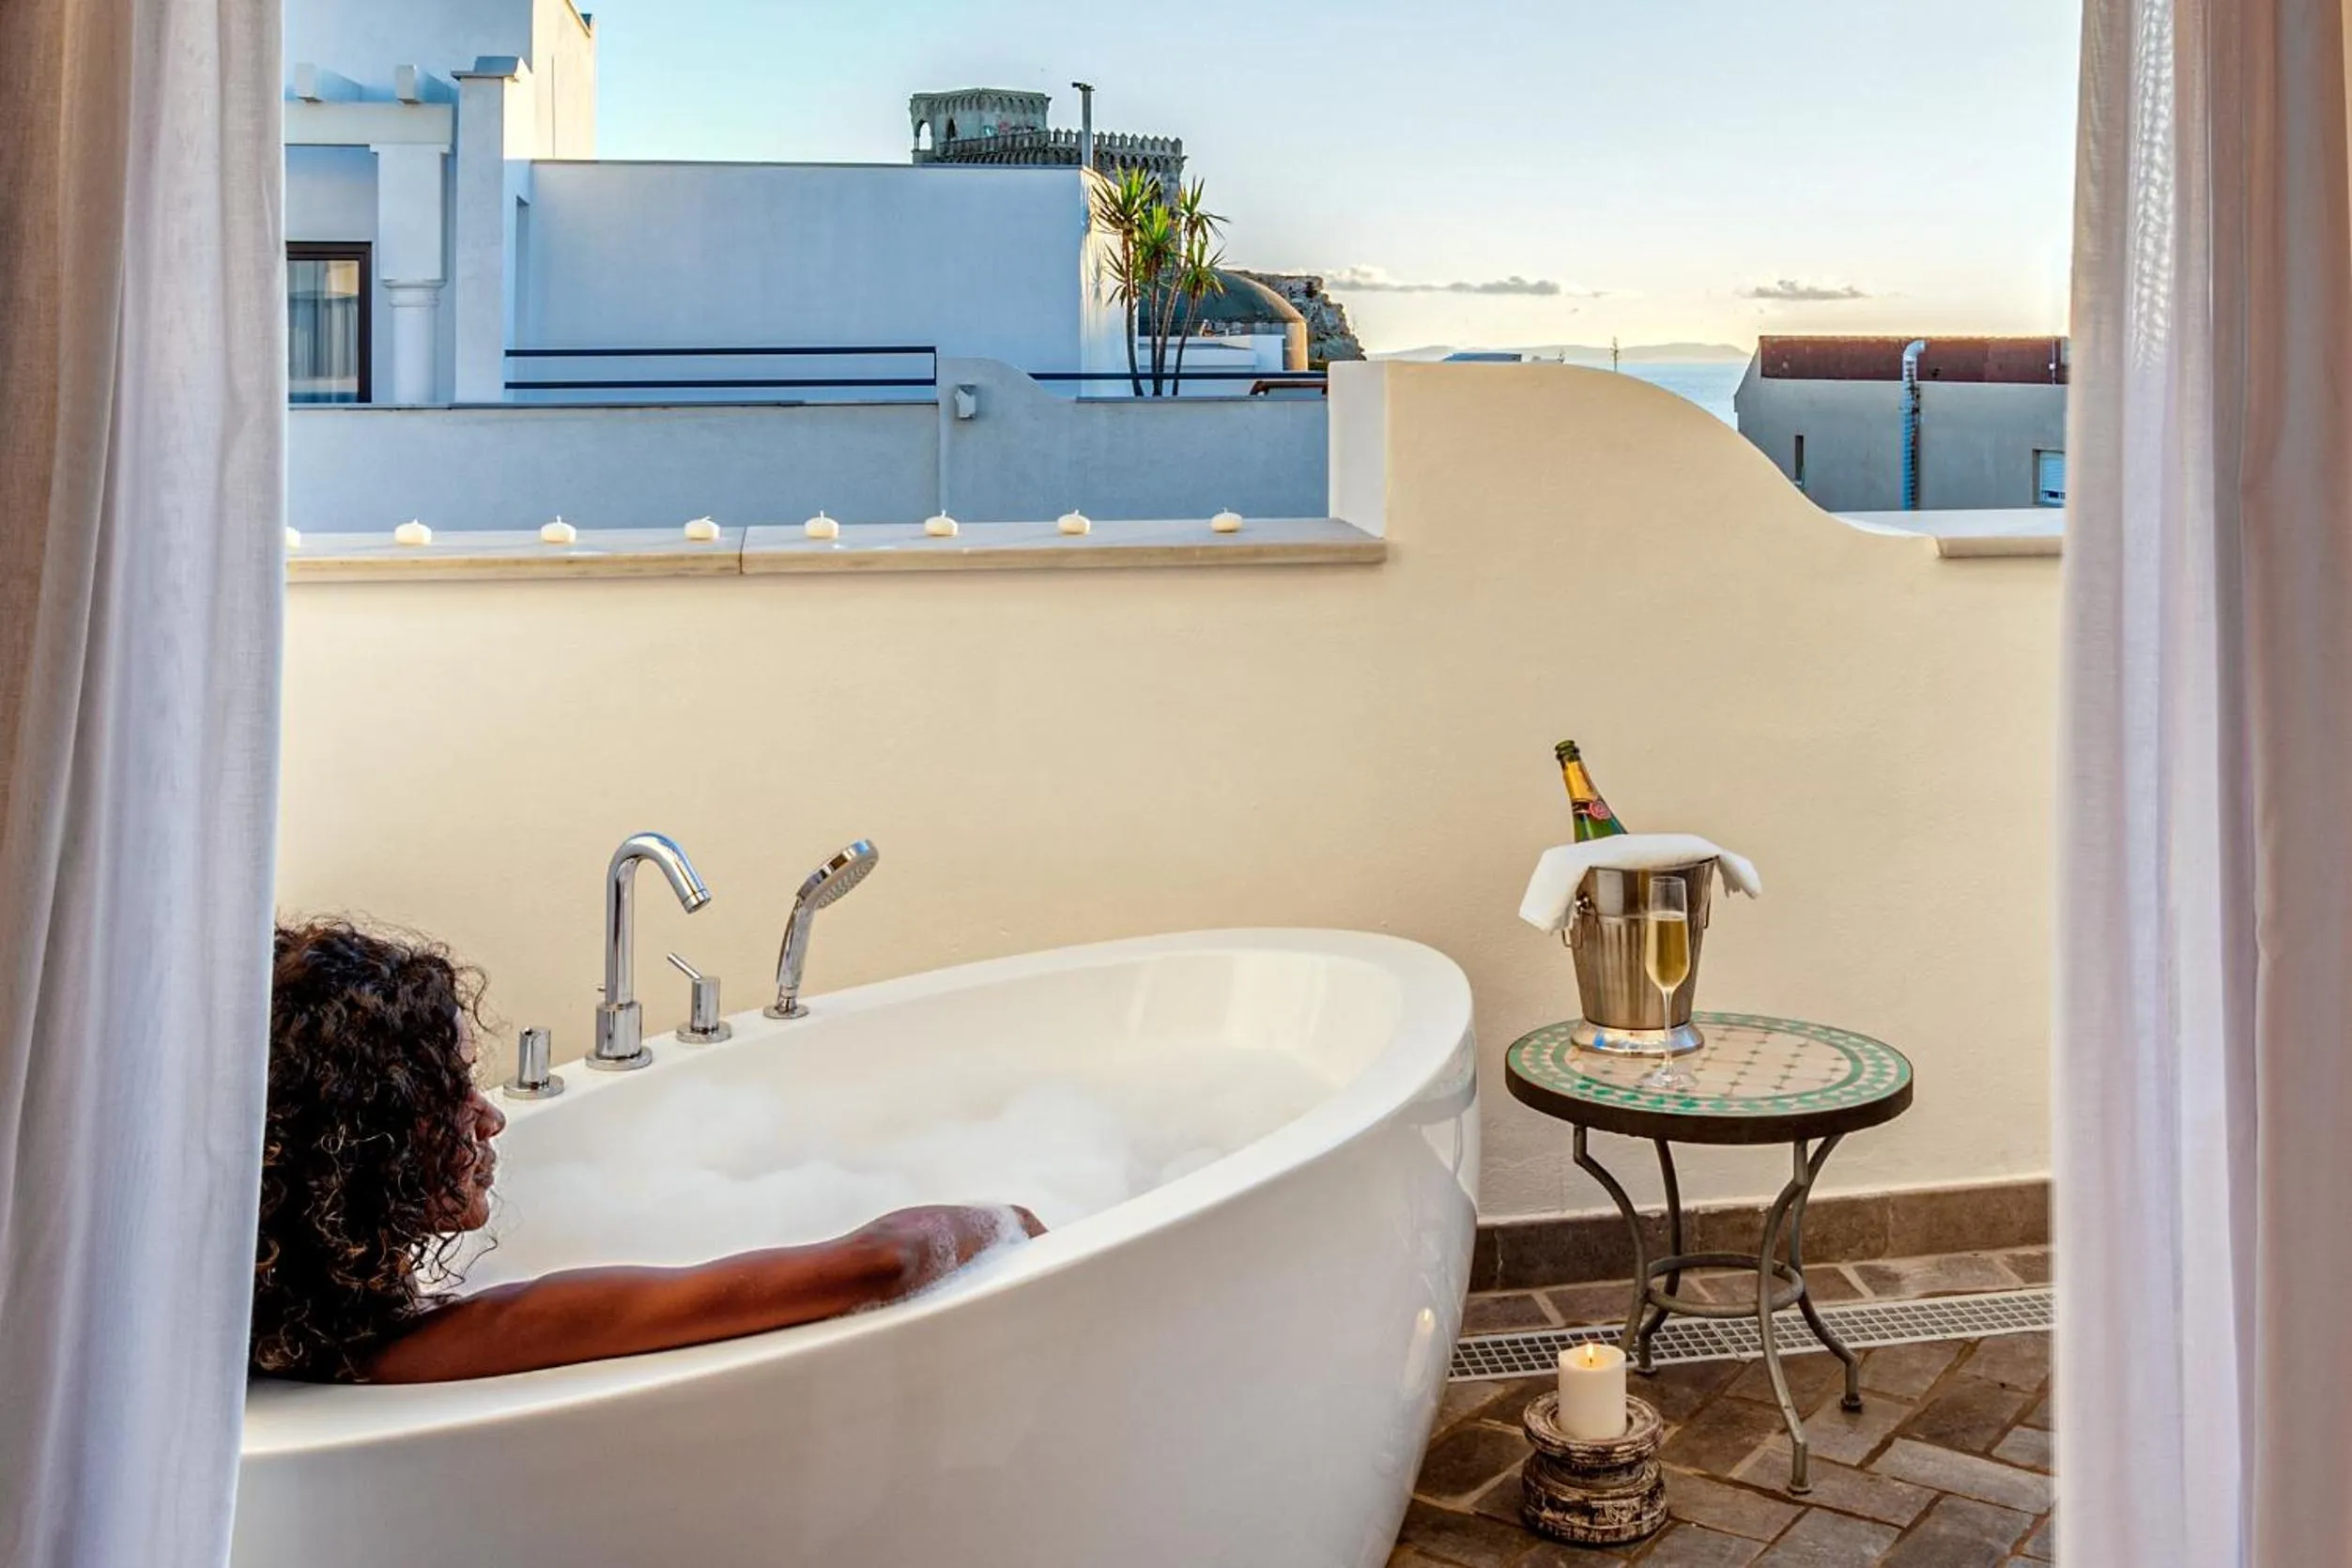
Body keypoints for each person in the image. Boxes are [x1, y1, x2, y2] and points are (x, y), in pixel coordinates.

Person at [253, 918, 1040, 1384]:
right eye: (450, 1094)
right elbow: (882, 1263)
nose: (488, 1119)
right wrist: (1016, 1224)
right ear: (360, 1144)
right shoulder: (454, 1344)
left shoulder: (275, 1336)